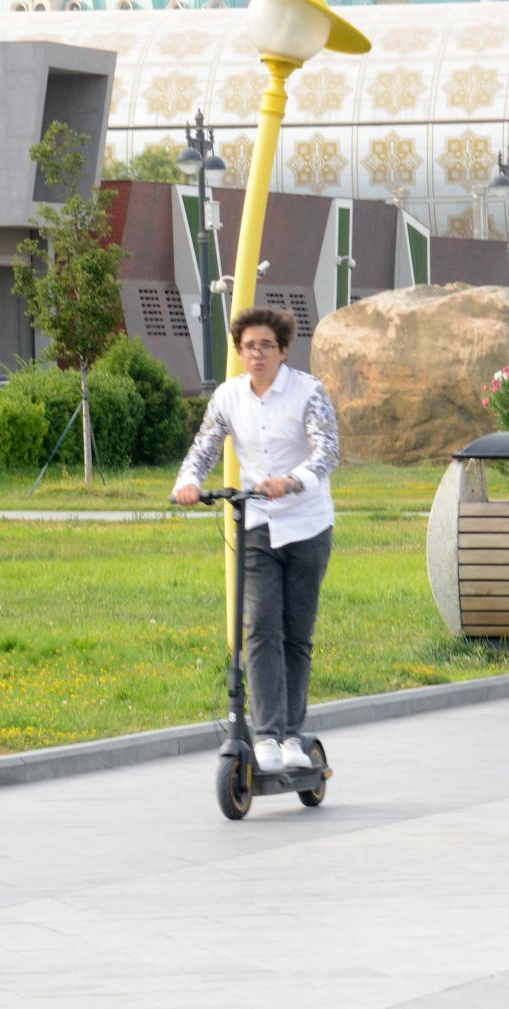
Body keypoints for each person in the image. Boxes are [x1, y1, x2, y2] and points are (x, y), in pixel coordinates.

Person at [172, 307, 340, 774]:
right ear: (240, 352)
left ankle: (291, 733)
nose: (258, 354)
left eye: (267, 345)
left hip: (307, 524)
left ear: (283, 349)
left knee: (295, 633)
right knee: (260, 625)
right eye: (249, 346)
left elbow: (327, 450)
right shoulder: (228, 397)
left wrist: (294, 479)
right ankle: (267, 735)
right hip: (257, 524)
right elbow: (205, 445)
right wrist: (188, 482)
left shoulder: (308, 392)